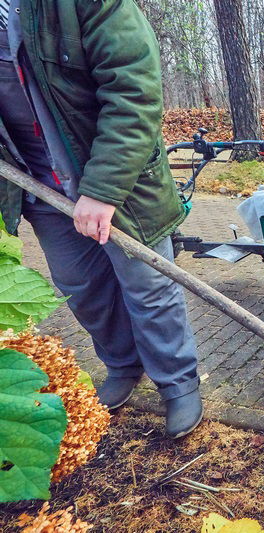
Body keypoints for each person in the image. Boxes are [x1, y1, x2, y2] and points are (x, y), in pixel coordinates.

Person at [0, 0, 203, 438]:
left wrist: (102, 190)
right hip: (38, 185)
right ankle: (123, 364)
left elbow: (135, 90)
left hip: (117, 181)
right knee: (82, 286)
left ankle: (178, 382)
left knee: (147, 286)